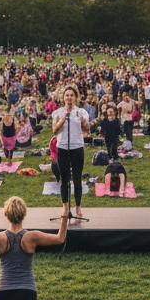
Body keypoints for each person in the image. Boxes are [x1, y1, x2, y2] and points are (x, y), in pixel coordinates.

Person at [52, 87, 89, 217]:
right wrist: (64, 119)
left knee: (77, 178)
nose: (69, 97)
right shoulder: (57, 112)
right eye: (67, 95)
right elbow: (55, 131)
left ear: (75, 97)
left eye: (71, 95)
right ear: (63, 97)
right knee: (64, 179)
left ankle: (78, 206)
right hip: (62, 147)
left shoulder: (81, 112)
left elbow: (87, 129)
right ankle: (66, 208)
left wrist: (82, 120)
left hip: (77, 147)